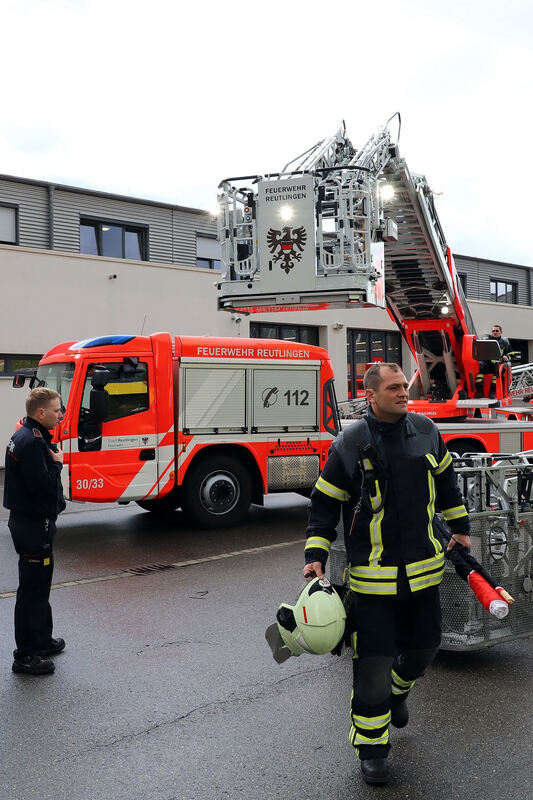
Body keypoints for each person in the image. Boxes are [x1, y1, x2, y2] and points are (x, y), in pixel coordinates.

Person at [303, 363, 470, 786]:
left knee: (425, 648)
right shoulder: (350, 444)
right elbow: (324, 505)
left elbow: (447, 485)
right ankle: (373, 749)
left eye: (404, 386)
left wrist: (462, 529)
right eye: (394, 388)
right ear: (371, 395)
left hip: (425, 576)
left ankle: (400, 691)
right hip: (372, 582)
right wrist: (315, 553)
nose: (403, 393)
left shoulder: (428, 432)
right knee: (373, 668)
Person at [3, 387, 66, 675]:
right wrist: (57, 465)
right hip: (32, 524)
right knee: (32, 590)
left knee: (41, 585)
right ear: (40, 413)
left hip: (32, 522)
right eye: (56, 410)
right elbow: (39, 485)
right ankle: (25, 655)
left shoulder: (28, 435)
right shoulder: (31, 442)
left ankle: (42, 639)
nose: (60, 415)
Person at [475, 324, 518, 398]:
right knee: (480, 365)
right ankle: (479, 391)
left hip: (498, 365)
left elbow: (512, 354)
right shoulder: (486, 341)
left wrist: (507, 356)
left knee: (497, 368)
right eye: (493, 331)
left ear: (501, 332)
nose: (494, 332)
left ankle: (492, 392)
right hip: (487, 363)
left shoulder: (505, 343)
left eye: (497, 331)